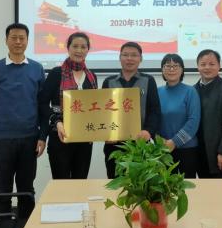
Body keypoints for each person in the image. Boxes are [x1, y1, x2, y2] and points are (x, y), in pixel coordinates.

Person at [0, 24, 45, 216]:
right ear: (6, 40)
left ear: (27, 40)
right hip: (2, 139)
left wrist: (42, 136)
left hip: (29, 138)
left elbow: (42, 105)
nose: (18, 42)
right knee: (3, 188)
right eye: (13, 37)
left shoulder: (37, 68)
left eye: (22, 38)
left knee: (27, 188)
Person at [39, 32, 97, 179]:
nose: (79, 50)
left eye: (83, 47)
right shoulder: (56, 73)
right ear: (68, 48)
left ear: (88, 50)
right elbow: (42, 103)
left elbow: (95, 107)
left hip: (84, 140)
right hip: (60, 137)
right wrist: (57, 121)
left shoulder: (91, 77)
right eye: (75, 46)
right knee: (61, 185)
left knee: (80, 183)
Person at [101, 42, 162, 179]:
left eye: (134, 55)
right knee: (115, 183)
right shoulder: (109, 82)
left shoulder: (148, 80)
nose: (129, 58)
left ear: (141, 58)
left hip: (141, 143)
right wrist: (106, 134)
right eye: (125, 55)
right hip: (114, 145)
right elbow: (103, 114)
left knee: (141, 184)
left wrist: (148, 131)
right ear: (120, 58)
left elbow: (155, 111)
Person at [194, 49, 222, 180]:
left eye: (212, 64)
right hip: (199, 153)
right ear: (198, 67)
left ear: (219, 66)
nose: (207, 67)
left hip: (219, 154)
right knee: (204, 189)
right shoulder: (192, 90)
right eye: (203, 64)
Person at [157, 53, 201, 178]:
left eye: (176, 66)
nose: (171, 69)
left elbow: (193, 121)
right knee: (163, 187)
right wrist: (160, 140)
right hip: (162, 149)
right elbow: (153, 118)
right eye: (167, 66)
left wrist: (174, 142)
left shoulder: (190, 91)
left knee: (186, 188)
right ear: (162, 70)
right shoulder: (157, 92)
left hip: (187, 150)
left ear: (182, 70)